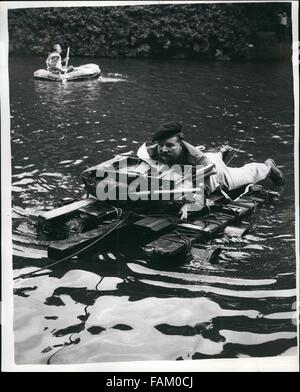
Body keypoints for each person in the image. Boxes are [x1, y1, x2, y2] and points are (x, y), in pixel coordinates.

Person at [137, 121, 285, 219]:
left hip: (215, 176)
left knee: (246, 175)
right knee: (212, 157)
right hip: (193, 168)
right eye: (161, 145)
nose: (163, 149)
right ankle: (220, 153)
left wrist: (188, 204)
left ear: (181, 144)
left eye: (170, 145)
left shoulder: (198, 159)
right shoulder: (150, 152)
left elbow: (203, 189)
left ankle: (267, 167)